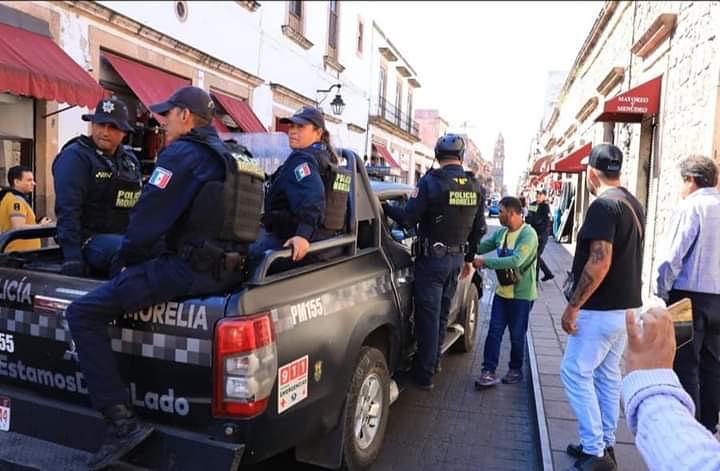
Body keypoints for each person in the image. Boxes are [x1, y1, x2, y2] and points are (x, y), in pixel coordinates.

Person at [65, 86, 262, 469]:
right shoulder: (236, 156)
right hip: (226, 272)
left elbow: (144, 225)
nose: (162, 121)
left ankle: (121, 424)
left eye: (167, 115)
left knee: (83, 313)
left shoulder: (183, 154)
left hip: (186, 270)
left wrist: (123, 265)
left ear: (185, 117)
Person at [560, 143, 645, 471]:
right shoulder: (632, 203)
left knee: (574, 372)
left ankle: (595, 451)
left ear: (591, 173)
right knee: (607, 376)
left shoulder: (603, 207)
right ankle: (605, 443)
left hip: (599, 310)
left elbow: (600, 261)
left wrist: (572, 306)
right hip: (626, 309)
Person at [383, 134, 486, 390]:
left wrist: (384, 208)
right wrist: (469, 258)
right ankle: (434, 361)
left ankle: (424, 374)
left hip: (432, 262)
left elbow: (408, 218)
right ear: (461, 157)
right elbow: (479, 228)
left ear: (438, 156)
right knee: (441, 315)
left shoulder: (431, 181)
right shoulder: (475, 186)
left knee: (427, 318)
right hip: (455, 260)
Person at [654, 154, 720, 434]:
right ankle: (708, 422)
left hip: (685, 298)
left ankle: (687, 426)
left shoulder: (691, 207)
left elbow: (672, 257)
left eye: (682, 181)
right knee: (714, 363)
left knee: (684, 360)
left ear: (691, 180)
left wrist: (661, 290)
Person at [249, 106, 350, 267]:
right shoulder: (325, 159)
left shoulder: (301, 158)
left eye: (300, 127)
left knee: (238, 255)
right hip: (323, 248)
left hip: (292, 242)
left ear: (318, 132)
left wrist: (303, 234)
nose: (293, 131)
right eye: (291, 126)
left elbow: (312, 196)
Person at [52, 97, 142, 277]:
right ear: (93, 125)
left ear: (124, 132)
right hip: (89, 240)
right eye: (101, 125)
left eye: (113, 127)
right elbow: (68, 209)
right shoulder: (76, 157)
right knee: (128, 254)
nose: (105, 132)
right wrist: (72, 257)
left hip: (124, 235)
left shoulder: (129, 160)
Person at [623, 307, 720, 471]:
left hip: (692, 299)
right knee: (712, 366)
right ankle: (709, 424)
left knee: (688, 366)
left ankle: (694, 422)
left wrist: (651, 383)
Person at [473, 196, 538, 387]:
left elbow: (515, 260)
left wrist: (485, 262)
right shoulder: (502, 233)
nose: (498, 214)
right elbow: (481, 247)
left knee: (517, 335)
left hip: (521, 295)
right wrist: (464, 248)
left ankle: (515, 369)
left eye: (500, 211)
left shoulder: (529, 234)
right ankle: (488, 371)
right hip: (502, 293)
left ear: (511, 213)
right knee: (494, 332)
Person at [0, 165, 52, 252]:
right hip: (20, 256)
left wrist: (36, 223)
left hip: (21, 254)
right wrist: (41, 226)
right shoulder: (15, 201)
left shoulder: (12, 198)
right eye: (29, 180)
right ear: (16, 182)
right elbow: (18, 227)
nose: (33, 183)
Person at [525, 188, 554, 282]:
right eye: (537, 194)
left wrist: (541, 234)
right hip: (533, 233)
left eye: (540, 195)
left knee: (536, 256)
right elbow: (529, 218)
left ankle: (535, 280)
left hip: (542, 235)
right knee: (535, 256)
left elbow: (547, 223)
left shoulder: (545, 207)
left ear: (544, 196)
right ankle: (548, 274)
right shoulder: (533, 204)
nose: (538, 196)